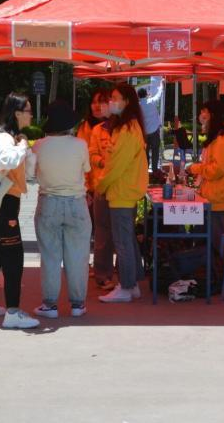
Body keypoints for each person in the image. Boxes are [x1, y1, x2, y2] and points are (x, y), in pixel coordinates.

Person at [0, 93, 37, 329]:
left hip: (3, 201)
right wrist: (22, 146)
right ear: (17, 113)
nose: (31, 115)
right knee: (13, 255)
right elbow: (5, 161)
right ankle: (12, 312)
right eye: (28, 110)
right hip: (6, 202)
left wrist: (23, 147)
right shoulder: (5, 138)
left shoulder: (3, 135)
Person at [29, 101, 92, 318]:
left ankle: (50, 305)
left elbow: (31, 174)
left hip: (49, 202)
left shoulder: (39, 145)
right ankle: (77, 305)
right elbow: (86, 169)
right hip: (76, 202)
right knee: (78, 255)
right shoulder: (80, 144)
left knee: (50, 255)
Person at [96, 83, 148, 304]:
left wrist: (100, 185)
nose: (111, 102)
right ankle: (132, 284)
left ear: (127, 102)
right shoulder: (129, 127)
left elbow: (115, 166)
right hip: (124, 191)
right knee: (127, 240)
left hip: (121, 193)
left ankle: (126, 287)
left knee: (122, 242)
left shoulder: (127, 129)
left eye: (115, 98)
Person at [187, 99, 224, 271]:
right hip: (209, 197)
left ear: (213, 115)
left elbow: (218, 169)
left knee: (215, 241)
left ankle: (218, 275)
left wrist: (195, 168)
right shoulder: (214, 138)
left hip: (217, 198)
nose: (201, 115)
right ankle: (206, 273)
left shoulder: (221, 139)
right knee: (203, 239)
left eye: (205, 111)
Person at [79, 89, 115, 290]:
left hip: (112, 186)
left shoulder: (117, 127)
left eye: (101, 102)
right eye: (93, 102)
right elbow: (81, 160)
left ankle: (104, 268)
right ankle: (97, 269)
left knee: (105, 231)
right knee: (95, 231)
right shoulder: (86, 127)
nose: (96, 106)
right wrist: (85, 188)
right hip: (93, 187)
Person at [138, 77, 165, 172]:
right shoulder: (151, 101)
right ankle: (155, 170)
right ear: (146, 94)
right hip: (154, 131)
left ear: (138, 96)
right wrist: (161, 86)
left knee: (145, 152)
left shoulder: (138, 105)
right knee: (155, 151)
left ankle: (145, 170)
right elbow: (159, 95)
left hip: (144, 134)